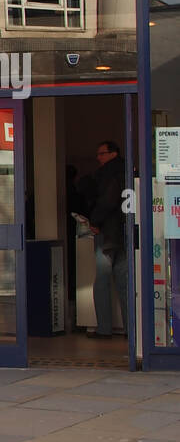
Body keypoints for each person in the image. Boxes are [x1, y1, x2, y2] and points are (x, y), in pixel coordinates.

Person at [87, 140, 129, 338]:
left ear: (113, 153)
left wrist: (94, 221)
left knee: (102, 280)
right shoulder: (130, 170)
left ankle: (104, 329)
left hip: (108, 233)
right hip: (126, 233)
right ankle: (132, 329)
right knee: (124, 281)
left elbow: (107, 200)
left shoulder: (107, 174)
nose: (98, 158)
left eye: (102, 153)